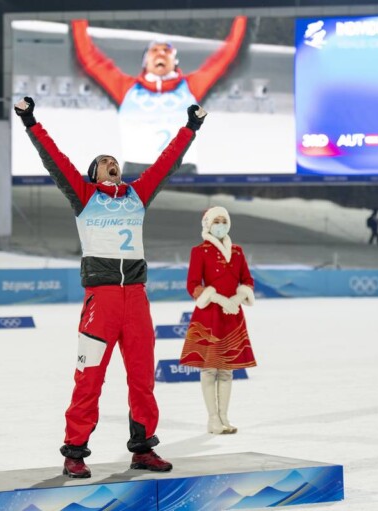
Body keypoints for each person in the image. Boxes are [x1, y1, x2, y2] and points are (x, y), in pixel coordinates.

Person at [14, 95, 207, 478]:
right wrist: (31, 123)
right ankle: (75, 452)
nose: (112, 165)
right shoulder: (83, 196)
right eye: (104, 163)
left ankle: (143, 450)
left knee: (142, 378)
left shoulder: (137, 195)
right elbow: (56, 161)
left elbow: (166, 164)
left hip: (136, 298)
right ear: (92, 175)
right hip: (100, 301)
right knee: (89, 380)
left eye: (115, 162)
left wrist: (190, 128)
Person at [71, 17, 247, 175]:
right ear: (145, 61)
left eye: (167, 50)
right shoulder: (126, 88)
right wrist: (76, 13)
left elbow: (227, 56)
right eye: (154, 50)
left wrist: (243, 13)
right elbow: (90, 58)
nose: (161, 53)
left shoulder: (191, 86)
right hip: (136, 169)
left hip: (182, 170)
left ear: (175, 61)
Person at [180, 206, 257, 434]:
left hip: (232, 315)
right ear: (207, 224)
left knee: (226, 370)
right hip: (209, 316)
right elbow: (192, 284)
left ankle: (224, 416)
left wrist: (238, 297)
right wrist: (216, 298)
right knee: (209, 369)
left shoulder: (238, 251)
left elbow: (247, 279)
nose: (221, 224)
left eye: (224, 220)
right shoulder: (199, 251)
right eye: (217, 221)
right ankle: (212, 419)